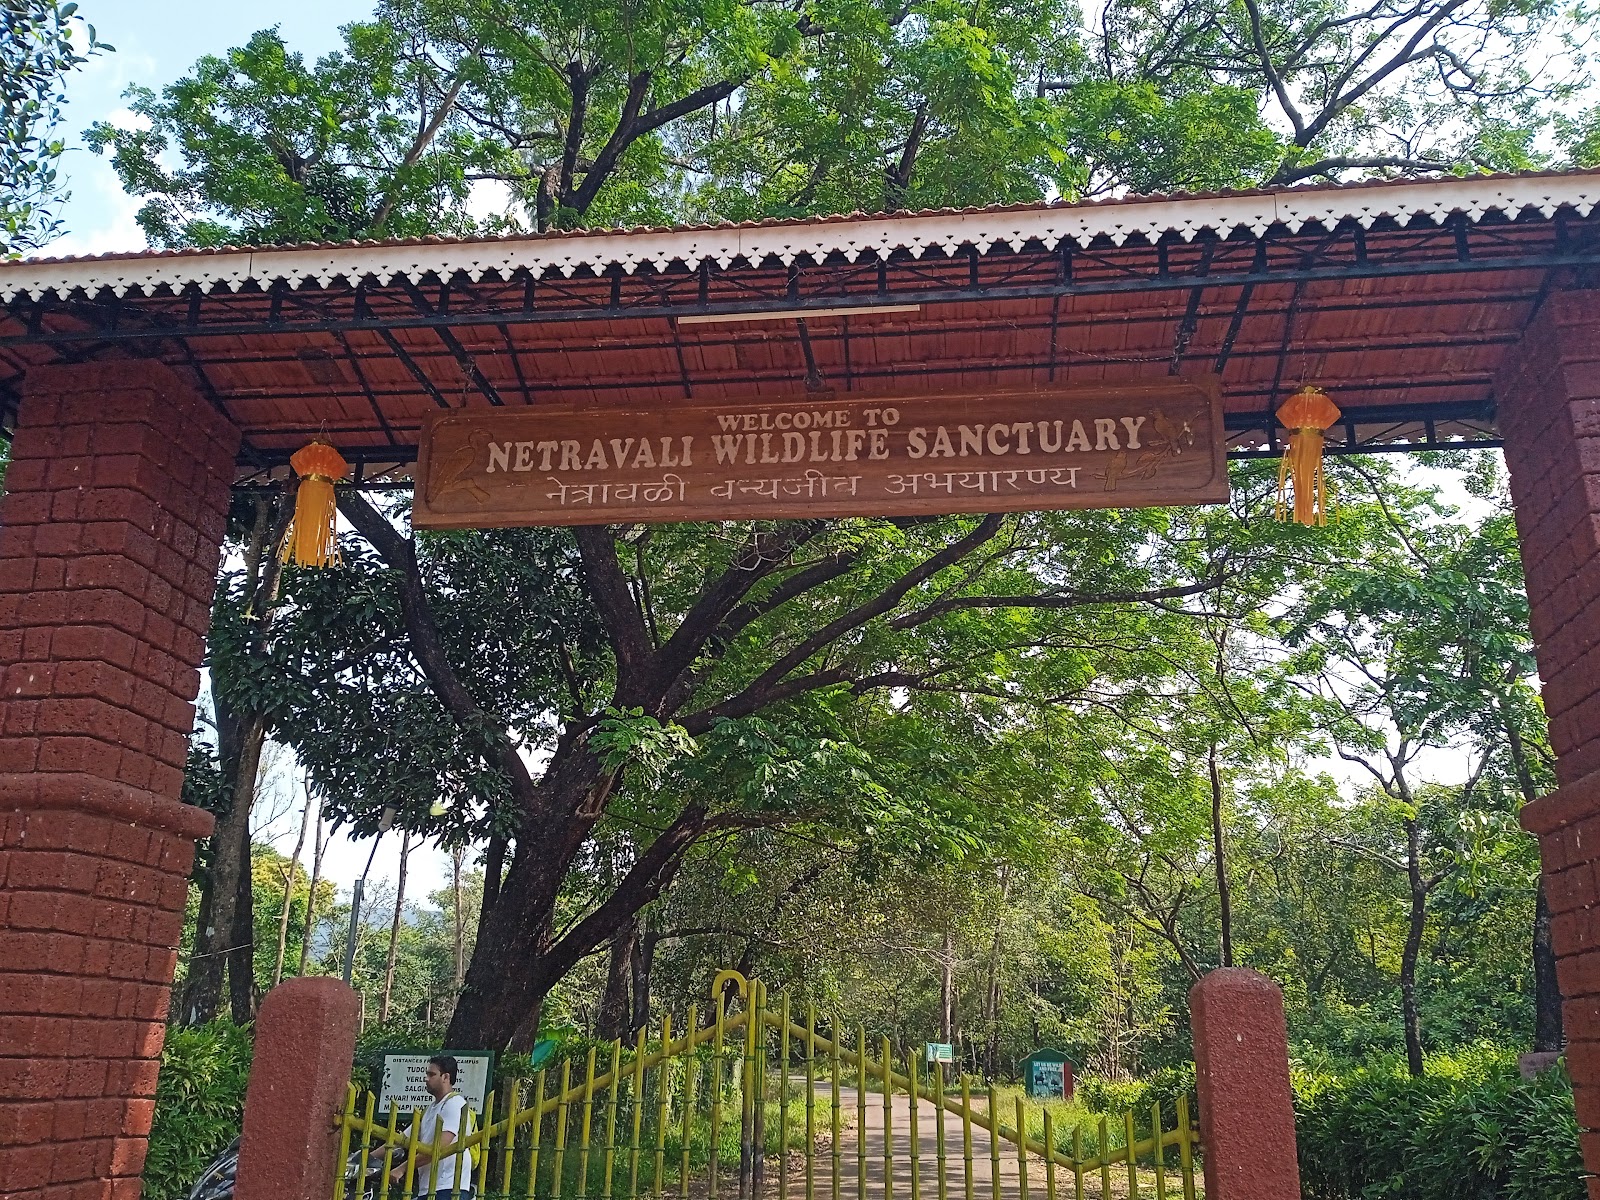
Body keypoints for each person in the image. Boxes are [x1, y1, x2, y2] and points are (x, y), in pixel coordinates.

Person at [390, 1055, 475, 1197]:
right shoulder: (430, 1110)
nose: (426, 1079)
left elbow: (440, 1146)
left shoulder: (455, 1104)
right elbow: (399, 1140)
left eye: (431, 1074)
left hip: (449, 1187)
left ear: (445, 1077)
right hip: (429, 1188)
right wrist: (364, 1157)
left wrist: (402, 1168)